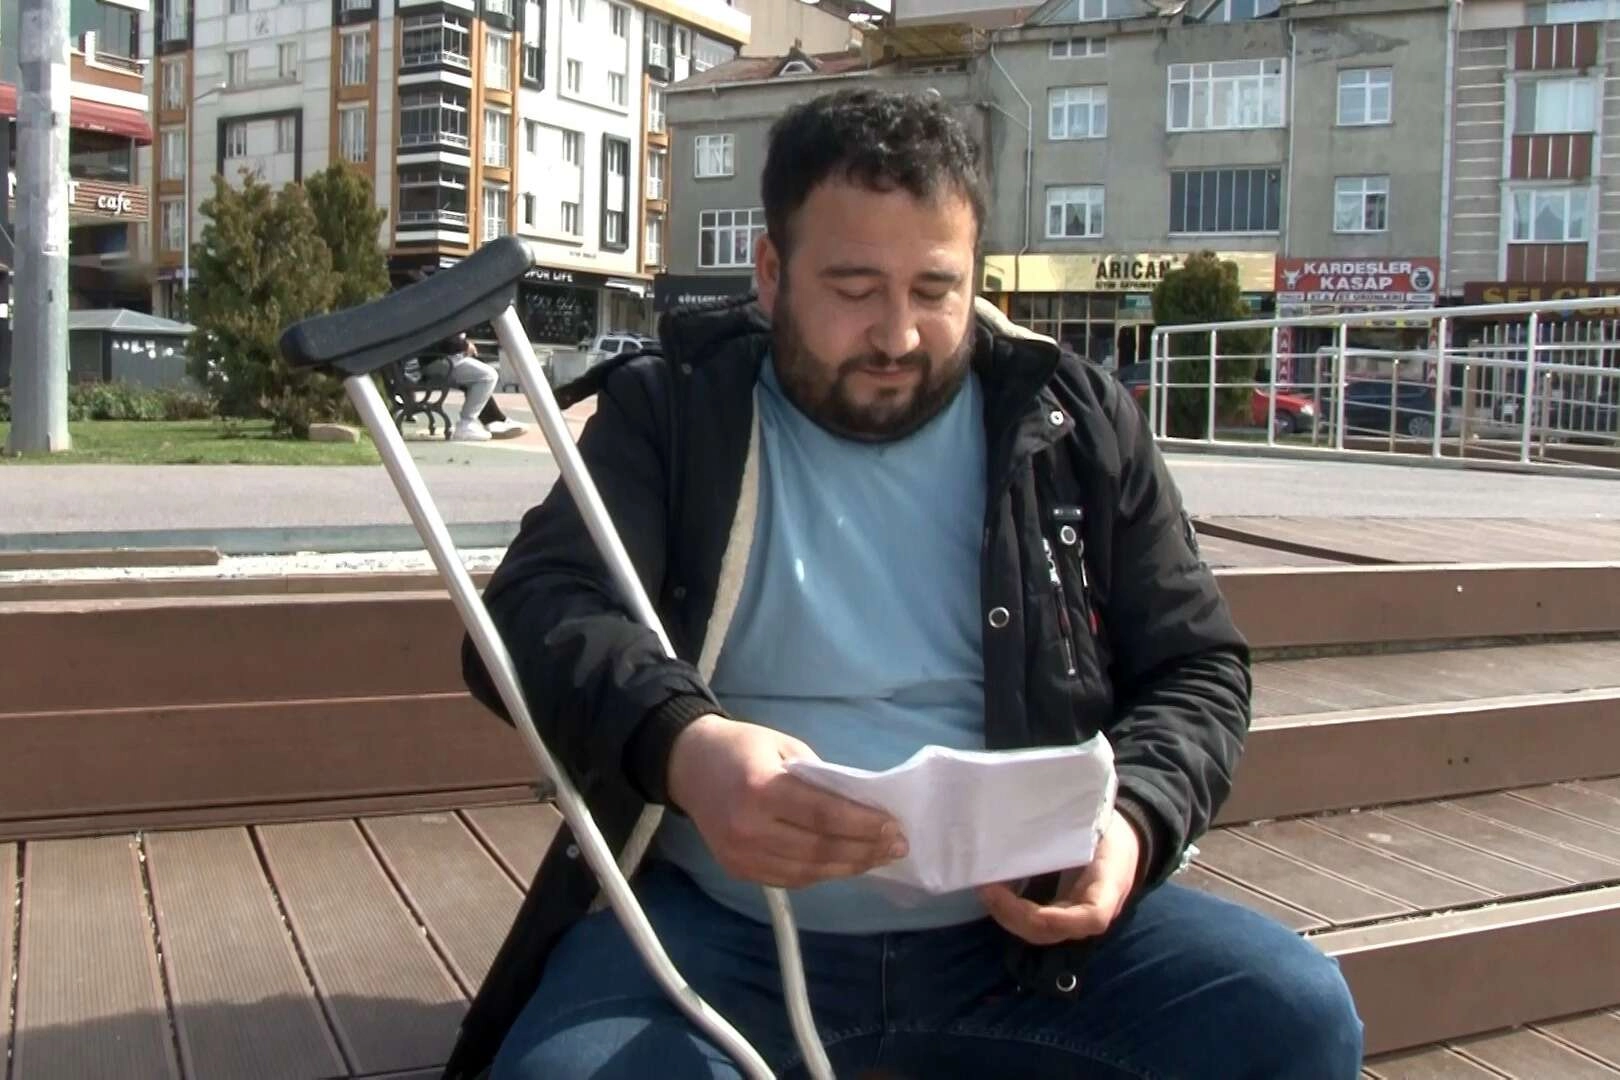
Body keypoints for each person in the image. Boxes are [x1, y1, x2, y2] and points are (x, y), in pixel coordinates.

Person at [448, 88, 1363, 1080]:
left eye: (935, 290)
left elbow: (1198, 667)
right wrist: (687, 749)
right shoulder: (674, 411)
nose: (898, 336)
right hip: (720, 927)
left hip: (1019, 940)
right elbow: (535, 613)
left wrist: (1133, 819)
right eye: (853, 289)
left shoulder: (1069, 419)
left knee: (1293, 1017)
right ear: (771, 273)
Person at [443, 333, 527, 441]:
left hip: (445, 358)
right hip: (437, 360)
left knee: (479, 374)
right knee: (488, 375)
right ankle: (466, 424)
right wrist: (464, 345)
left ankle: (493, 419)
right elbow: (440, 338)